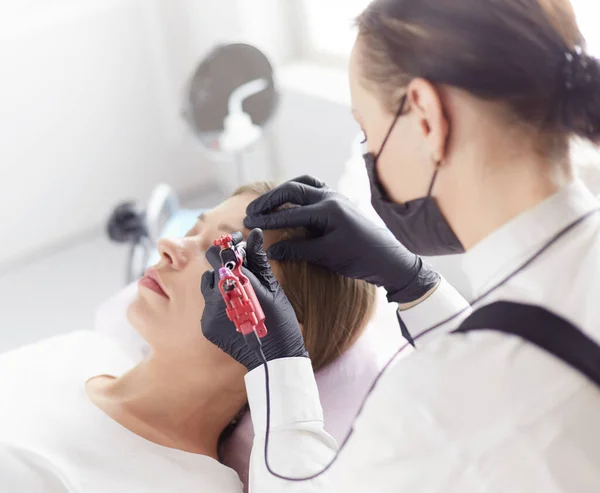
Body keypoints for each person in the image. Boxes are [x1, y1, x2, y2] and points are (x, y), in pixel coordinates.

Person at [199, 1, 600, 491]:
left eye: (368, 132)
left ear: (426, 117)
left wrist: (275, 366)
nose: (370, 157)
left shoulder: (430, 408)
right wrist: (416, 285)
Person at [0, 182, 375, 492]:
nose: (169, 246)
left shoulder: (193, 485)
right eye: (193, 231)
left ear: (279, 326)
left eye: (223, 253)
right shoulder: (81, 350)